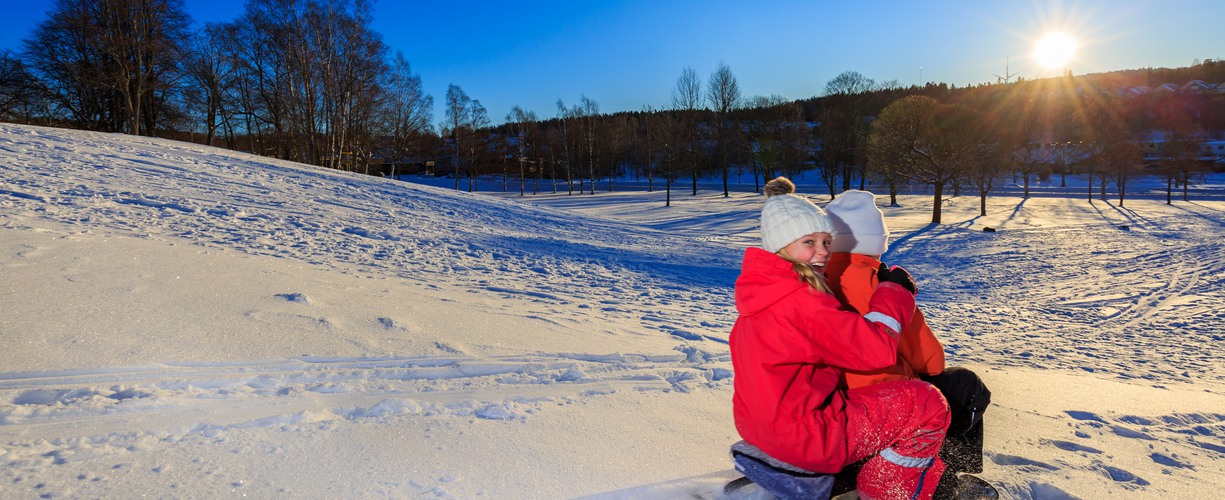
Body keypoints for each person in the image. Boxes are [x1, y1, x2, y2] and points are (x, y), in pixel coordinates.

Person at [730, 177, 950, 500]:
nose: (822, 253)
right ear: (781, 246)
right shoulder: (802, 301)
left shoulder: (759, 295)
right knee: (929, 404)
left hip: (760, 429)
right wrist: (895, 292)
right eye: (809, 243)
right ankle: (884, 490)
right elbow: (876, 349)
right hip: (807, 438)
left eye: (826, 242)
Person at [823, 190, 994, 499]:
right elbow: (932, 362)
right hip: (887, 411)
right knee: (964, 384)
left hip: (828, 406)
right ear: (877, 242)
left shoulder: (811, 282)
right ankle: (942, 471)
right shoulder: (885, 287)